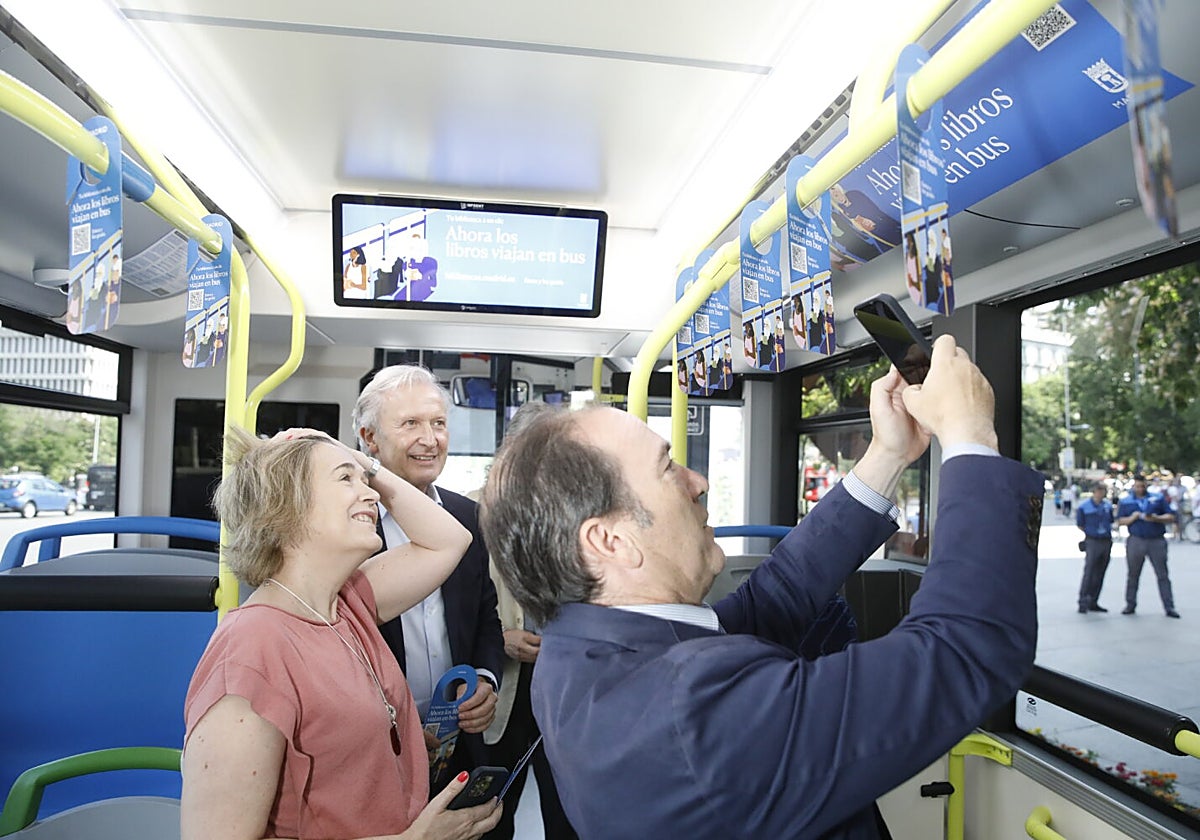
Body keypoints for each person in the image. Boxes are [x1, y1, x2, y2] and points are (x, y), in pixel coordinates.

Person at [478, 335, 1044, 839]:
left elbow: (773, 599)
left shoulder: (583, 649)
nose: (696, 481)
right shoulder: (692, 716)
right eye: (668, 468)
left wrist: (888, 454)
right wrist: (971, 437)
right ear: (610, 541)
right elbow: (965, 647)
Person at [181, 427, 502, 839]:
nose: (371, 493)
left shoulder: (348, 605)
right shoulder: (251, 646)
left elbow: (450, 539)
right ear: (287, 506)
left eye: (364, 480)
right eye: (345, 480)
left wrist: (364, 464)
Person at [353, 365, 505, 784]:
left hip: (457, 740)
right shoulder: (347, 524)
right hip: (375, 748)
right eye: (410, 424)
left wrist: (485, 680)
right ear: (369, 439)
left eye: (438, 423)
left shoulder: (466, 516)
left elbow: (485, 619)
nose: (430, 439)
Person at [481, 402, 577, 840]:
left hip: (564, 689)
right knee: (492, 815)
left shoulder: (578, 515)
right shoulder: (472, 515)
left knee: (569, 813)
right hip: (505, 693)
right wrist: (501, 638)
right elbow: (461, 611)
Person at [1116, 474, 1179, 618]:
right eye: (1137, 486)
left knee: (1162, 574)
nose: (1140, 488)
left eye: (1142, 486)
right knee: (1133, 574)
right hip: (1136, 539)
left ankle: (1169, 606)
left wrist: (1155, 518)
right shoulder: (1126, 501)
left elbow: (1170, 516)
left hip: (1156, 539)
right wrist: (1133, 517)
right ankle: (1130, 604)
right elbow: (1120, 520)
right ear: (1133, 486)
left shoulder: (1157, 498)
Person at [1075, 482, 1114, 613]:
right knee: (1089, 572)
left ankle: (1094, 600)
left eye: (1103, 490)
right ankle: (1083, 601)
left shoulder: (1107, 506)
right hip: (1093, 540)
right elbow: (1080, 524)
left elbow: (1111, 521)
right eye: (1099, 490)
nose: (1101, 493)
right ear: (1094, 491)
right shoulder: (1084, 507)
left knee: (1100, 572)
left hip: (1106, 540)